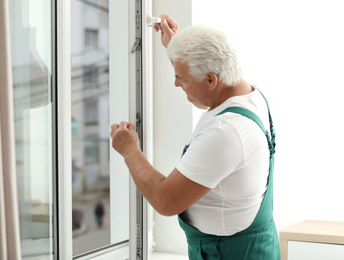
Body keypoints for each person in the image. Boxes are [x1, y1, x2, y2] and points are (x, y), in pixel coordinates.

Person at [110, 14, 280, 260]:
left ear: (211, 79)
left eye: (182, 78)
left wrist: (130, 151)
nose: (176, 84)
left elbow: (165, 201)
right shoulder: (248, 95)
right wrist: (178, 48)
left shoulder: (226, 131)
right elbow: (206, 66)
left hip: (230, 254)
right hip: (251, 246)